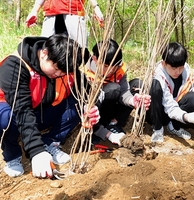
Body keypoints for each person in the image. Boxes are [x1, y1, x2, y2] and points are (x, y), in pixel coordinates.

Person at [0, 34, 99, 178]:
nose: (59, 74)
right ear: (44, 53)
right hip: (14, 114)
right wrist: (36, 152)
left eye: (64, 72)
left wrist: (90, 106)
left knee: (78, 105)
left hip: (42, 112)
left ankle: (50, 141)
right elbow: (22, 110)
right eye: (56, 69)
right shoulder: (15, 66)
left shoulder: (64, 64)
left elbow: (85, 90)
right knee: (4, 118)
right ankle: (12, 155)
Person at [146, 42, 194, 143]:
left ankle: (174, 126)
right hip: (158, 113)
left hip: (175, 113)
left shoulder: (188, 72)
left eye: (180, 67)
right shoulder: (158, 76)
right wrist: (187, 117)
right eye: (174, 68)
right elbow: (169, 106)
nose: (177, 72)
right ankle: (157, 129)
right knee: (155, 87)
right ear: (164, 64)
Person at [84, 39, 151, 146]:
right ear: (95, 59)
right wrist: (106, 134)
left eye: (114, 66)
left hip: (114, 104)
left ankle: (114, 123)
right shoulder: (85, 74)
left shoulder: (119, 69)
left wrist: (133, 101)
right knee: (113, 88)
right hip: (96, 113)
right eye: (106, 66)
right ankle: (98, 131)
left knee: (137, 84)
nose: (110, 70)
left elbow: (124, 91)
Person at [25, 0, 104, 47]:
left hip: (74, 13)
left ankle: (76, 74)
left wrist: (96, 7)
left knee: (79, 50)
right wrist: (34, 10)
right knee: (46, 48)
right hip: (51, 14)